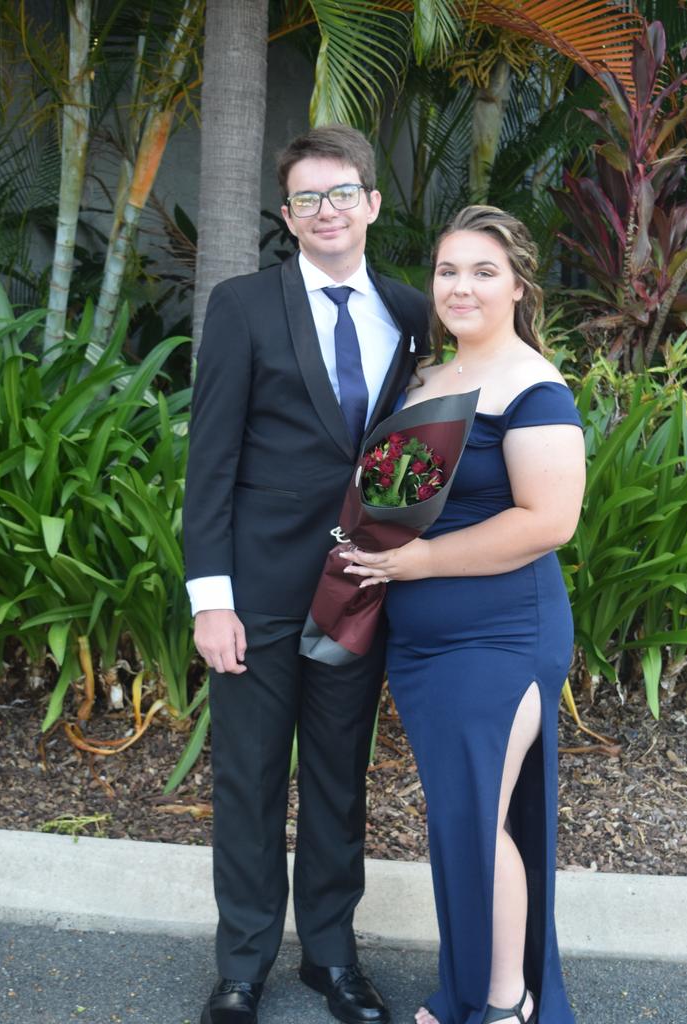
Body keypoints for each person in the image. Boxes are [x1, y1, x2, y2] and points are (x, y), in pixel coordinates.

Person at [183, 124, 428, 1024]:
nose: (326, 211)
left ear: (369, 202)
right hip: (257, 593)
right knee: (247, 777)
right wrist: (212, 600)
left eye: (341, 193)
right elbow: (208, 462)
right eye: (306, 199)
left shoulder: (408, 310)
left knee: (337, 776)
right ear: (287, 216)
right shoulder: (246, 305)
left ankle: (332, 957)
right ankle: (243, 962)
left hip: (360, 588)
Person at [341, 206, 586, 1024]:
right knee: (460, 817)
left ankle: (506, 1003)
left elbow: (548, 522)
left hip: (503, 636)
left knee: (478, 819)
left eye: (484, 271)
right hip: (422, 643)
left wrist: (418, 563)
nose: (461, 286)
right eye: (448, 270)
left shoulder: (536, 389)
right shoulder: (424, 379)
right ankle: (469, 991)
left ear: (519, 285)